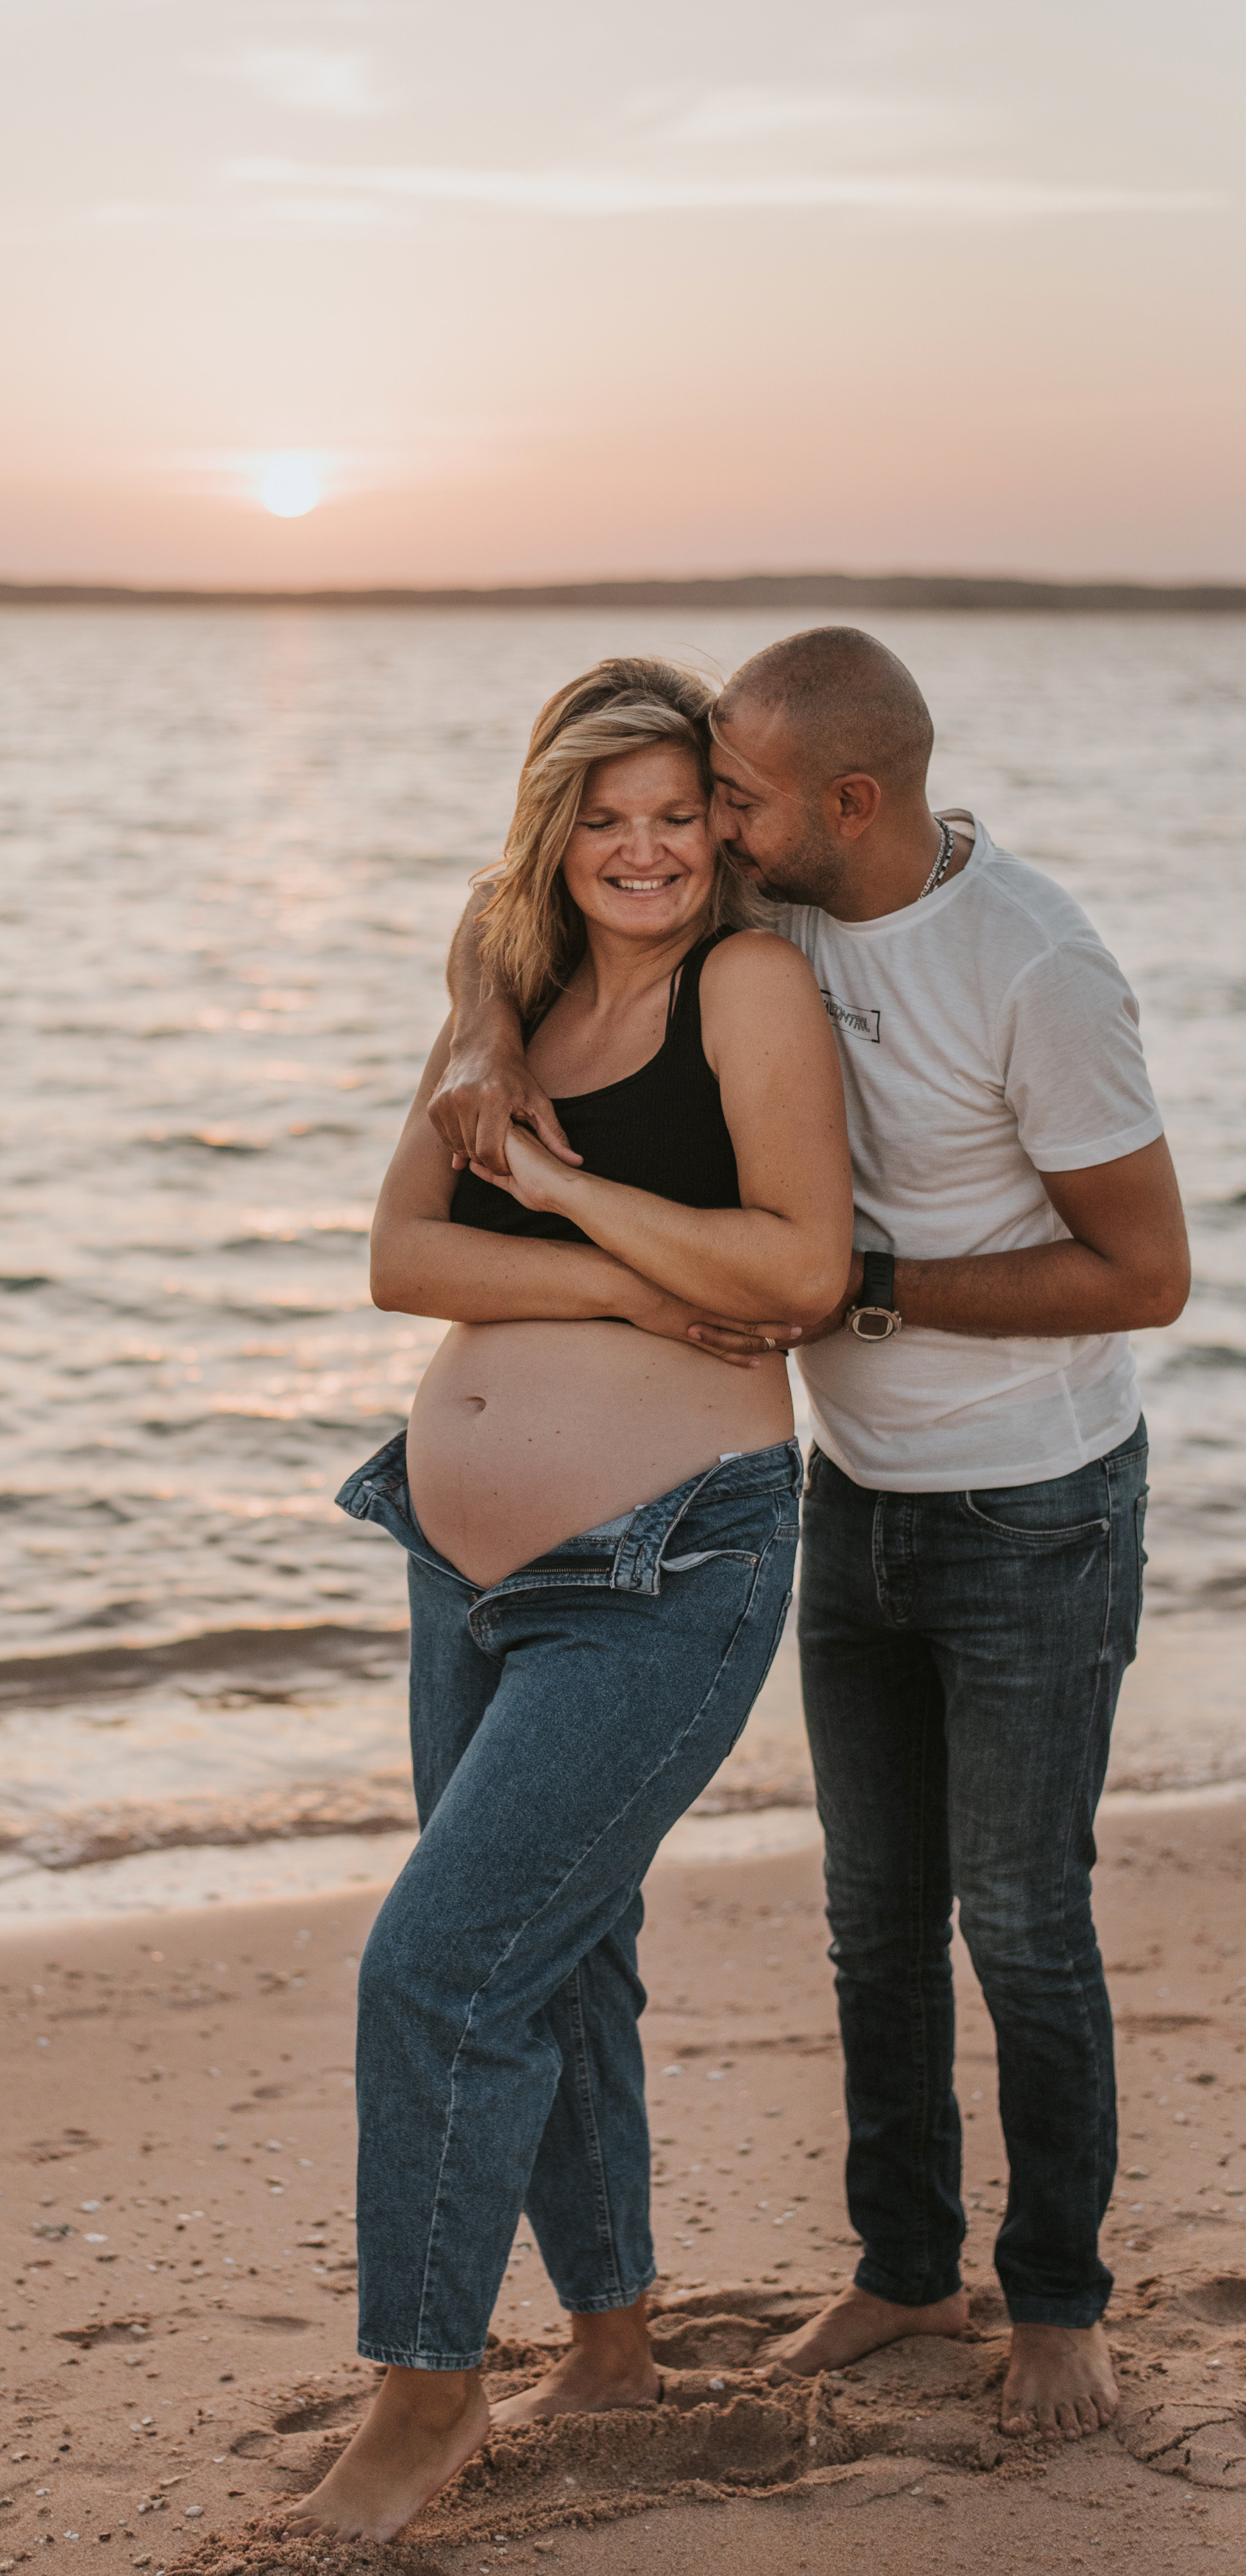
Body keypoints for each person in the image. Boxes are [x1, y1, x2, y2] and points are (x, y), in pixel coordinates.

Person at [431, 626, 1191, 2447]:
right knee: (869, 1922)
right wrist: (474, 1022)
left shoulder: (1037, 964)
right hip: (850, 1499)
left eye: (740, 798)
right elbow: (526, 901)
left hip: (1036, 1508)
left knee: (1020, 1919)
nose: (712, 827)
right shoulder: (775, 924)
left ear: (846, 800)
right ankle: (907, 2264)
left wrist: (853, 1290)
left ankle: (1062, 2292)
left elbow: (1146, 1272)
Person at [286, 659, 853, 2544]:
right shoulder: (514, 993)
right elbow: (401, 1252)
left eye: (678, 812)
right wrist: (605, 1263)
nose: (644, 847)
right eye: (604, 816)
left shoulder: (744, 988)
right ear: (555, 828)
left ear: (723, 825)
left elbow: (792, 1267)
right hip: (466, 1568)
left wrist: (558, 1191)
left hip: (670, 1556)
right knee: (559, 1949)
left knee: (436, 1965)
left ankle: (427, 2390)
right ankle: (608, 2345)